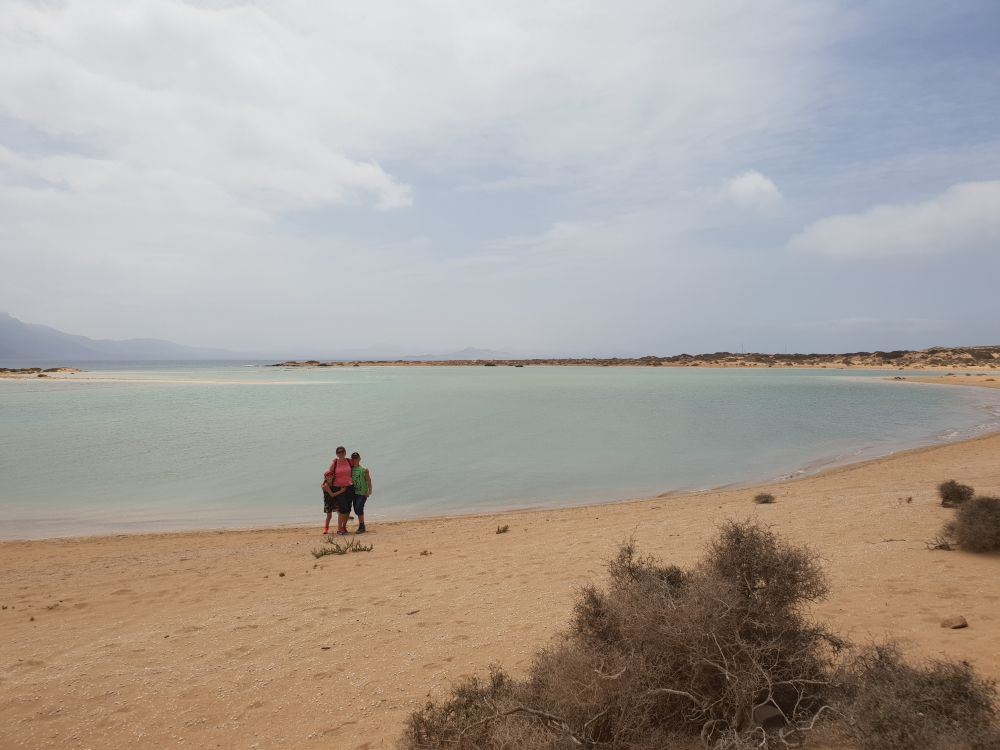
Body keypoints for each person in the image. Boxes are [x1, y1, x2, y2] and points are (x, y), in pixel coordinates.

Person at [324, 446, 355, 535]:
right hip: (338, 487)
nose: (341, 453)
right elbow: (329, 476)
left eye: (342, 451)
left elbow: (356, 468)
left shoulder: (349, 461)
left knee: (348, 508)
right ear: (336, 454)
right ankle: (339, 529)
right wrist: (325, 485)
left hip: (349, 487)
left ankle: (344, 527)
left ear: (345, 452)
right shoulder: (334, 463)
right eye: (339, 452)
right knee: (342, 509)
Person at [350, 452, 373, 533]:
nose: (355, 460)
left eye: (356, 458)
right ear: (352, 460)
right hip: (354, 493)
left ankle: (362, 526)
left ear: (359, 459)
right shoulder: (350, 469)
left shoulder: (364, 469)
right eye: (353, 459)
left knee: (359, 508)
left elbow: (369, 480)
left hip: (363, 493)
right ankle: (361, 525)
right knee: (356, 510)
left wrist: (370, 491)